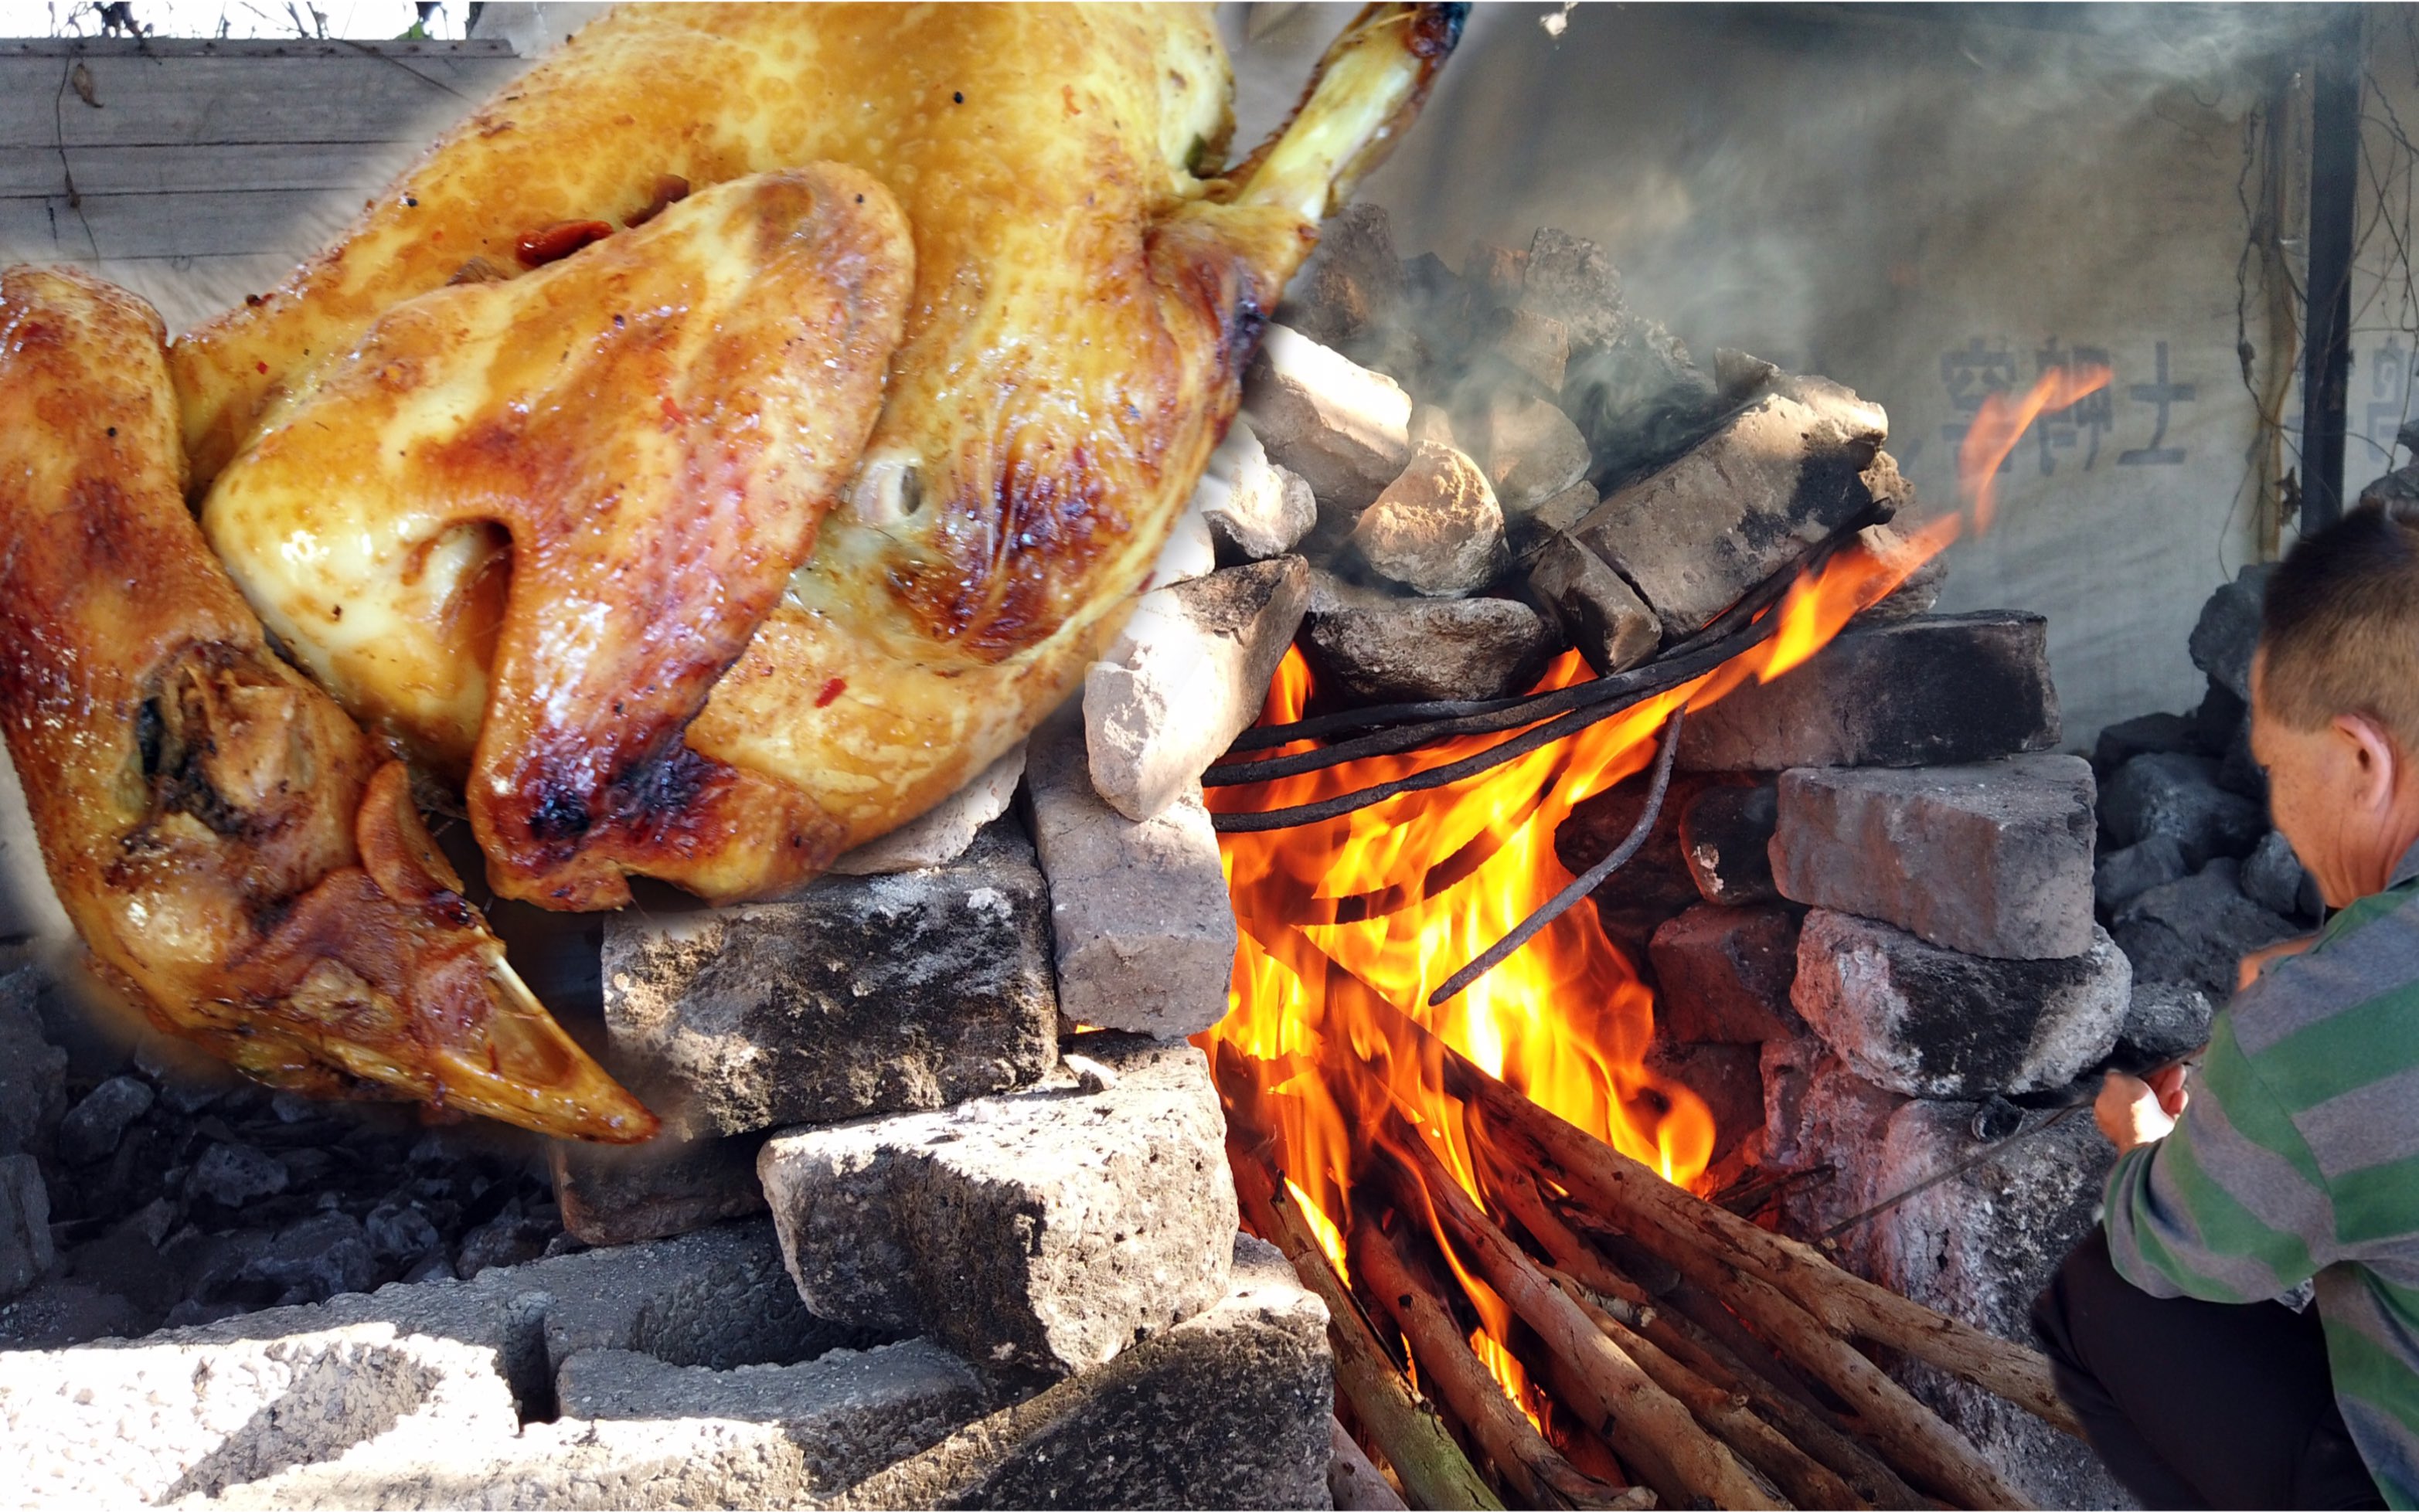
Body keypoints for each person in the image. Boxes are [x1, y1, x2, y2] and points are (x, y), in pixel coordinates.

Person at [2032, 500, 2419, 1510]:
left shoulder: (2323, 1026)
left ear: (2364, 758)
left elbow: (2175, 1248)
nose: (2279, 812)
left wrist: (2146, 1142)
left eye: (2280, 772)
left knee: (2104, 1291)